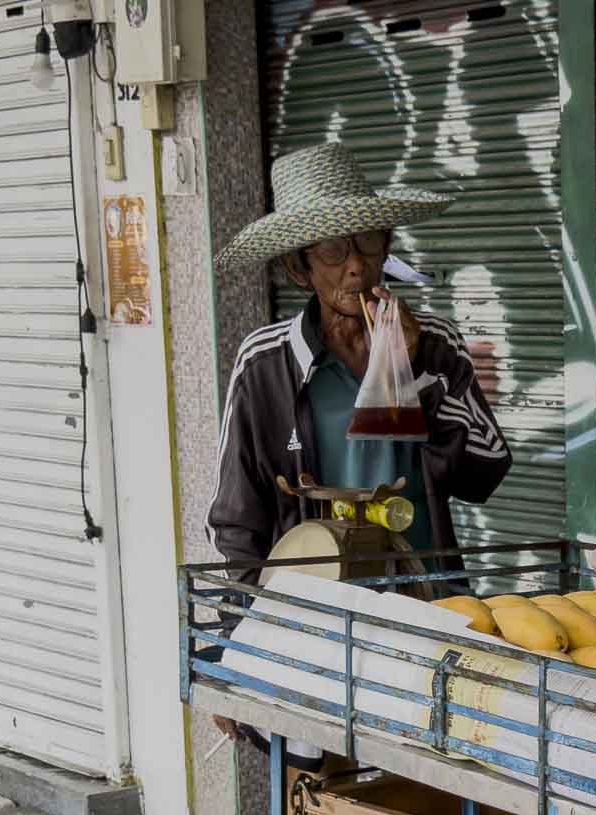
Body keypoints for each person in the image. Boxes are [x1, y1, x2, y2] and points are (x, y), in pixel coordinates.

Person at [205, 141, 512, 752]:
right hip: (317, 631)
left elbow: (486, 468)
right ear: (299, 270)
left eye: (370, 243)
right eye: (332, 250)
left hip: (425, 612)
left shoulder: (435, 342)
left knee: (440, 784)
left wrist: (419, 366)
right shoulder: (265, 365)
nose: (356, 267)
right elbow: (236, 522)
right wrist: (242, 645)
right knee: (321, 791)